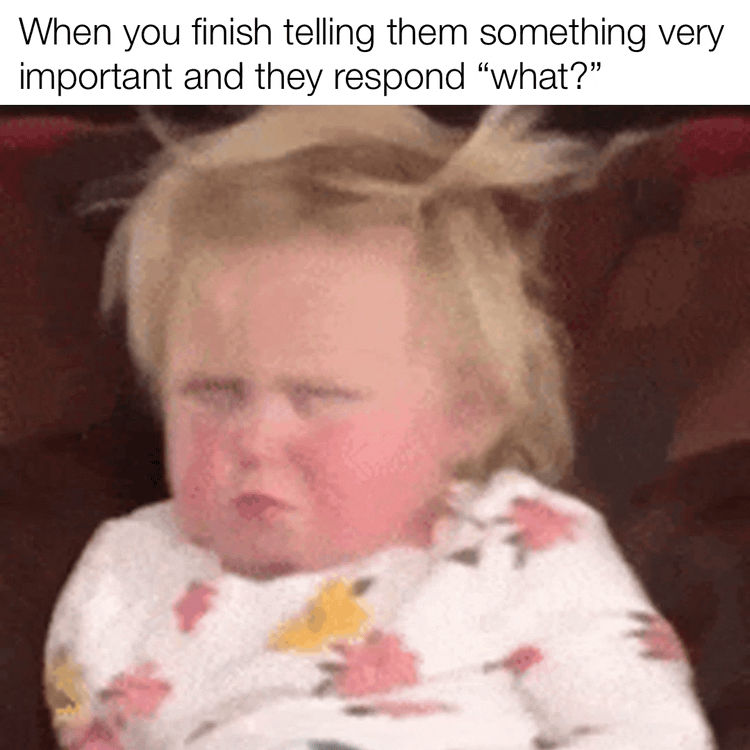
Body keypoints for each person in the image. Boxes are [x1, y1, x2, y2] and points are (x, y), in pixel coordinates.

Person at [43, 106, 714, 750]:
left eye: (317, 396)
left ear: (467, 415)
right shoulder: (125, 571)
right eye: (212, 393)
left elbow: (650, 733)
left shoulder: (523, 546)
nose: (255, 440)